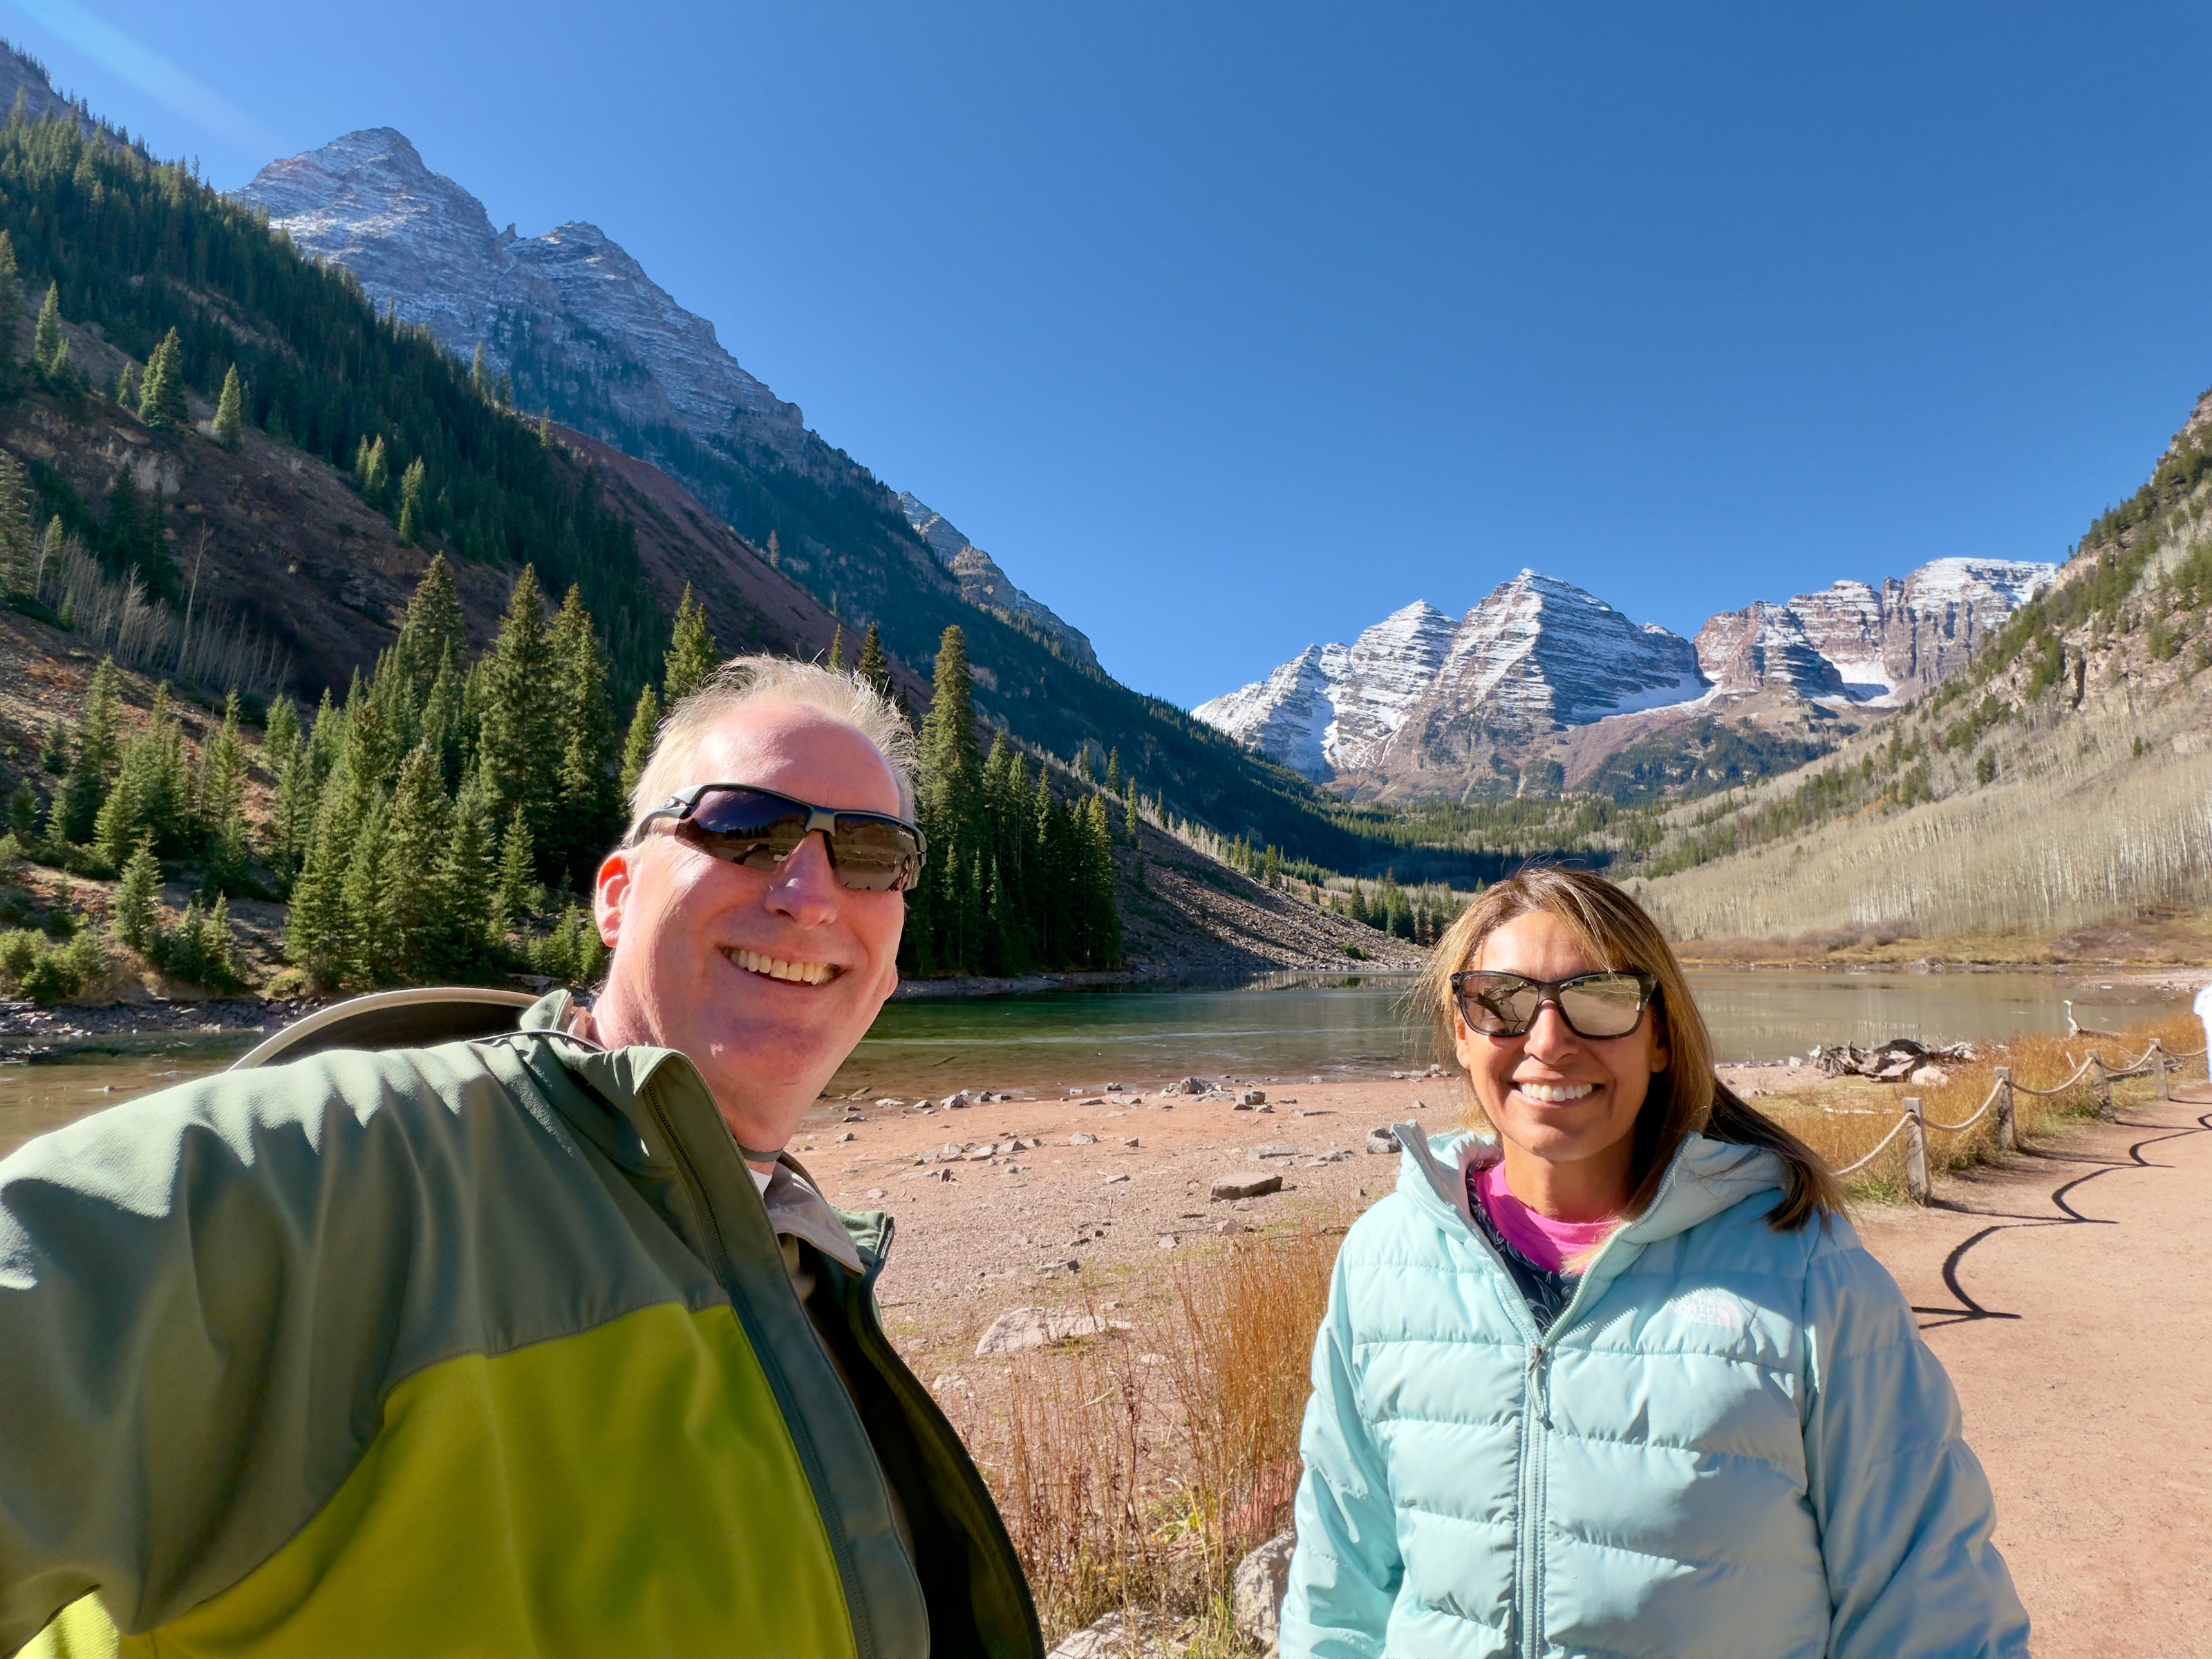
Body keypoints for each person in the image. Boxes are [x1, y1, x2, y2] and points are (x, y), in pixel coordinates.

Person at [0, 657, 1042, 1659]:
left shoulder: (806, 1257)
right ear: (617, 896)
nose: (809, 891)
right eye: (743, 828)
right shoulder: (334, 1170)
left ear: (898, 930)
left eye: (869, 853)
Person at [1280, 865, 2028, 1659]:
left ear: (1661, 1035)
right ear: (1460, 1029)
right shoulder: (1385, 1261)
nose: (1546, 1041)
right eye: (1499, 999)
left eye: (1599, 1000)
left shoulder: (1805, 1274)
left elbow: (1931, 1613)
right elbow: (1340, 1592)